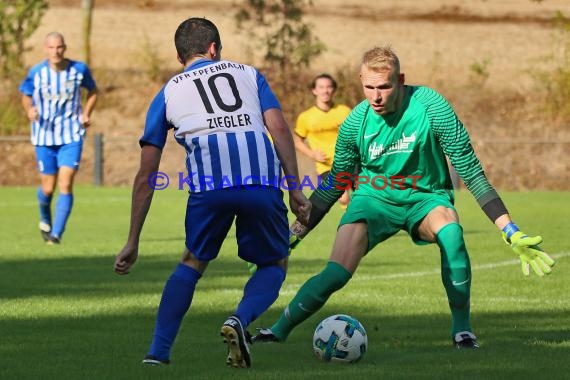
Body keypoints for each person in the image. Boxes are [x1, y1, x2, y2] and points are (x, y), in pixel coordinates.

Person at [252, 46, 556, 349]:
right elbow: (335, 183)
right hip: (373, 201)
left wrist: (509, 230)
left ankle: (462, 330)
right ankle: (277, 330)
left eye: (384, 86)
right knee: (336, 273)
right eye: (369, 87)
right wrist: (290, 237)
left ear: (400, 80)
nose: (376, 96)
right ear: (361, 81)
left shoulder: (431, 106)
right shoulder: (356, 122)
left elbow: (471, 171)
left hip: (425, 198)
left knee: (451, 234)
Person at [113, 17, 310, 369]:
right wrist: (295, 189)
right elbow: (278, 127)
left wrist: (133, 239)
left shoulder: (169, 91)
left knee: (192, 262)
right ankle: (240, 318)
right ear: (214, 49)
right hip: (260, 183)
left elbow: (147, 173)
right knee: (274, 262)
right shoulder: (249, 74)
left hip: (209, 188)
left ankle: (158, 353)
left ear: (179, 57)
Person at [19, 32, 98, 244]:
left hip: (71, 135)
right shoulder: (36, 73)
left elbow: (93, 91)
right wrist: (30, 110)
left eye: (60, 47)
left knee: (66, 184)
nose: (56, 51)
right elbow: (26, 96)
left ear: (65, 47)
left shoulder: (78, 69)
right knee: (47, 188)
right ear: (45, 49)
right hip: (44, 136)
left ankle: (56, 235)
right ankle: (45, 217)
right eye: (52, 48)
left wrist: (86, 113)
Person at [294, 73, 351, 207]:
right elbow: (297, 141)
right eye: (321, 87)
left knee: (366, 195)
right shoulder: (306, 117)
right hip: (325, 167)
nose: (326, 91)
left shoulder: (345, 111)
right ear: (314, 90)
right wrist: (312, 154)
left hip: (350, 162)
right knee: (343, 198)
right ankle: (353, 225)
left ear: (334, 89)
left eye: (329, 87)